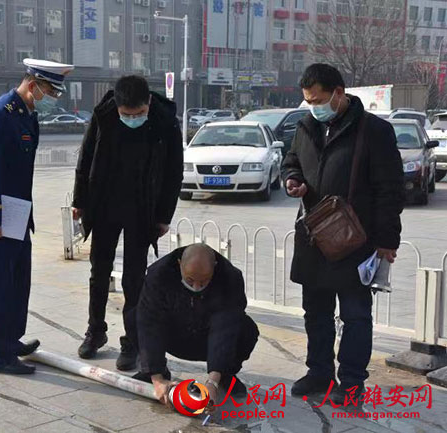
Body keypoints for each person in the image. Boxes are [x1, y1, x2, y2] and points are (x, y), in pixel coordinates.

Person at [281, 64, 404, 401]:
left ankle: (351, 382)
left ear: (338, 93)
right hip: (313, 237)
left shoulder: (373, 130)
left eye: (318, 100)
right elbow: (291, 161)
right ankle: (319, 373)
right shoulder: (306, 126)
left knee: (355, 315)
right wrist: (292, 179)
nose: (313, 107)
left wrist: (387, 241)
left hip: (355, 240)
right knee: (315, 313)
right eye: (308, 101)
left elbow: (390, 190)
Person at [71, 75, 184, 370]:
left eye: (139, 113)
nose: (133, 119)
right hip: (105, 205)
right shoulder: (104, 115)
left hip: (142, 209)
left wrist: (164, 216)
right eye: (126, 114)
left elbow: (174, 172)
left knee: (134, 278)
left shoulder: (165, 122)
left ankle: (132, 341)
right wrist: (80, 201)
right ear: (118, 107)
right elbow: (86, 159)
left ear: (149, 103)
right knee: (99, 271)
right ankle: (95, 331)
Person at [0, 59, 74, 375]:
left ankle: (10, 340)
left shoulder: (26, 114)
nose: (50, 98)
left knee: (17, 282)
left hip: (17, 213)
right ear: (32, 84)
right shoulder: (0, 116)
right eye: (48, 91)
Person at [129, 244, 259, 406]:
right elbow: (149, 321)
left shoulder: (230, 278)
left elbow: (225, 327)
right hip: (173, 335)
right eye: (190, 280)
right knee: (134, 316)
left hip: (207, 339)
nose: (196, 287)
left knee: (246, 329)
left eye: (203, 281)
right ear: (179, 264)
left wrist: (213, 382)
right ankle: (154, 371)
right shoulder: (159, 273)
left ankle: (224, 374)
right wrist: (157, 379)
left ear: (214, 267)